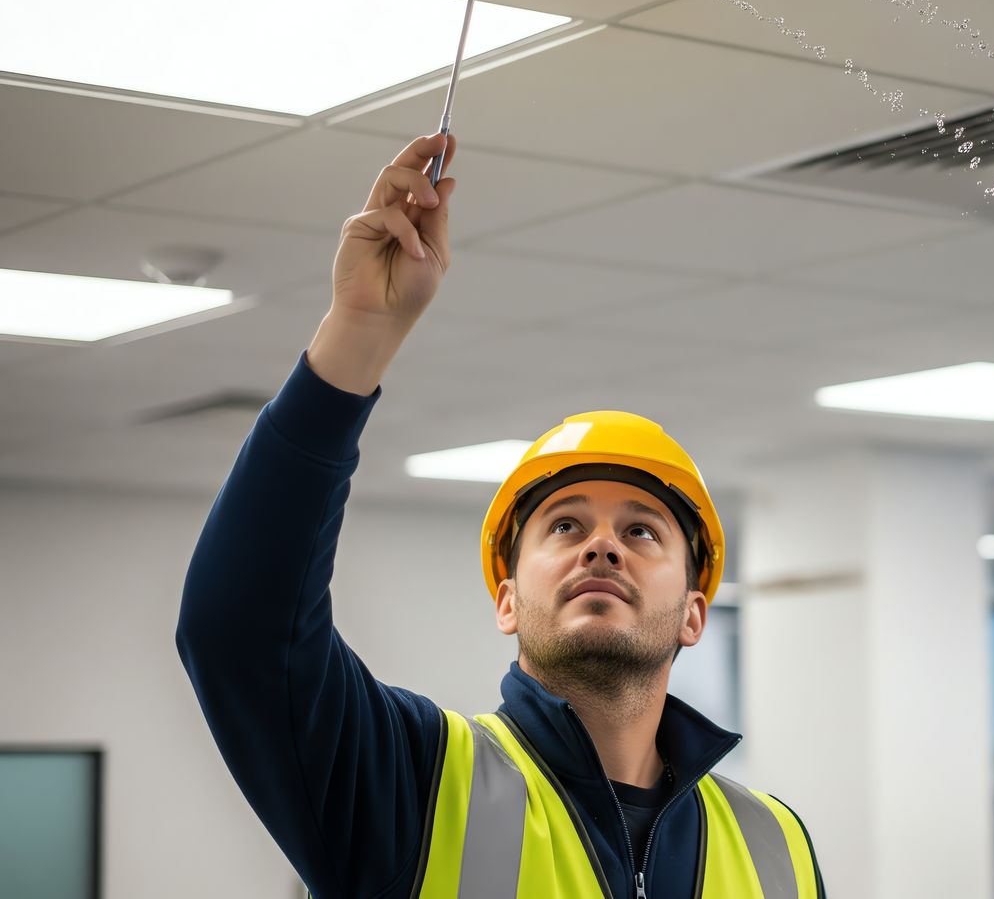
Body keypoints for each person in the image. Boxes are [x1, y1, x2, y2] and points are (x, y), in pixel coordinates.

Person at [176, 134, 824, 899]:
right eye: (565, 526)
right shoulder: (412, 783)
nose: (604, 547)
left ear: (693, 612)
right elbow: (240, 631)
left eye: (642, 529)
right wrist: (358, 333)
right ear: (508, 598)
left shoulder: (774, 843)